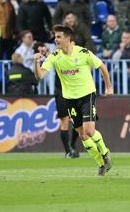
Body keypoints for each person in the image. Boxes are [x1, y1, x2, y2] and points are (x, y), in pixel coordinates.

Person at [34, 25, 114, 174]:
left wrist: (109, 87)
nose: (55, 39)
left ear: (67, 38)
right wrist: (36, 62)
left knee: (90, 131)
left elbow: (102, 66)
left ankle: (105, 152)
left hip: (87, 95)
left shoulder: (83, 53)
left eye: (58, 37)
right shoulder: (55, 56)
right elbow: (40, 76)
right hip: (70, 99)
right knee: (82, 135)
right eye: (55, 37)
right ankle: (101, 164)